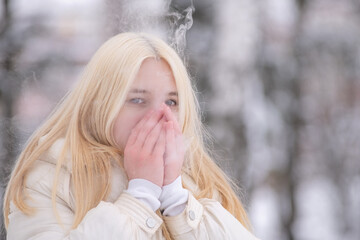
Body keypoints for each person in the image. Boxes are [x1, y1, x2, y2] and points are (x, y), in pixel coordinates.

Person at [3, 32, 259, 239]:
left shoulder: (199, 180)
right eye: (137, 99)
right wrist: (140, 196)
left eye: (171, 102)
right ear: (100, 104)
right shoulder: (54, 177)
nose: (159, 116)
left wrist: (176, 199)